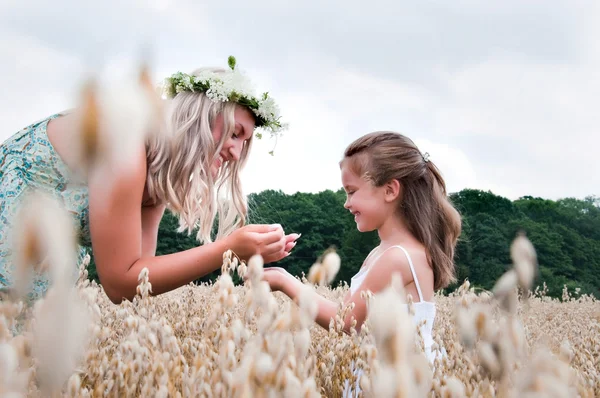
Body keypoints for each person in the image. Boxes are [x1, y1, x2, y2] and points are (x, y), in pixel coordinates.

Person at [0, 56, 299, 304]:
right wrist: (228, 249)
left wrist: (234, 248)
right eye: (236, 133)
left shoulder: (154, 169)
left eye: (244, 142)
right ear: (201, 116)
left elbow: (136, 281)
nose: (236, 152)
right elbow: (119, 282)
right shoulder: (126, 145)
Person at [261, 131, 461, 377]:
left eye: (351, 191)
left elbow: (344, 322)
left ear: (390, 190)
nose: (346, 203)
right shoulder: (381, 253)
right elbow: (344, 312)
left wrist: (283, 280)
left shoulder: (398, 257)